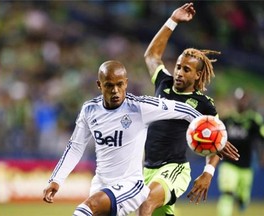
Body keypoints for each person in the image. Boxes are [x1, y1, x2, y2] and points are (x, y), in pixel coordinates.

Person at [43, 60, 206, 216]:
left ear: (126, 83)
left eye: (119, 84)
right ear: (99, 85)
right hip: (100, 185)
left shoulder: (139, 107)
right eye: (109, 85)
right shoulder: (89, 110)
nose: (115, 90)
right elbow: (75, 147)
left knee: (86, 208)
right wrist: (56, 179)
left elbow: (185, 110)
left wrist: (210, 131)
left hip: (130, 185)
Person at [138, 2, 239, 216]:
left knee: (145, 203)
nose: (179, 73)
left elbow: (217, 140)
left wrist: (208, 173)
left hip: (174, 168)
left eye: (186, 69)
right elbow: (151, 56)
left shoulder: (203, 104)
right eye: (177, 66)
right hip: (148, 168)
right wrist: (172, 20)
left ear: (197, 76)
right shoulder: (163, 83)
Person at [217, 87, 264, 216]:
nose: (241, 103)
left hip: (246, 166)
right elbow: (216, 138)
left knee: (243, 199)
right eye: (239, 100)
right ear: (235, 101)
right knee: (227, 193)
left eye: (243, 100)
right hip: (228, 164)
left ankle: (242, 200)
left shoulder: (253, 120)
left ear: (247, 101)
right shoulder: (227, 120)